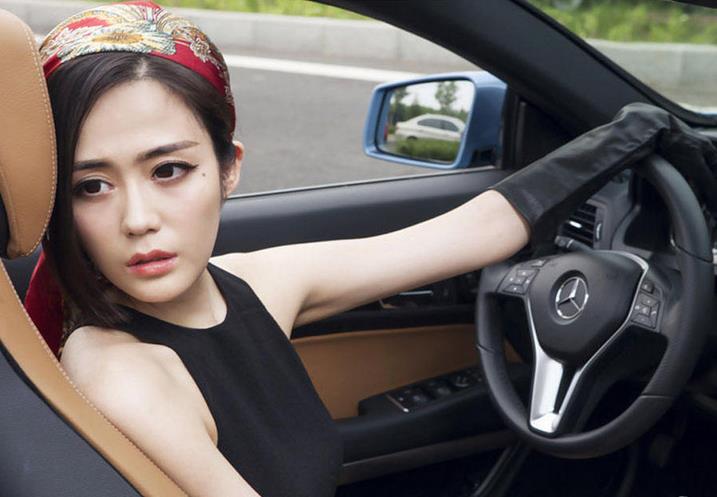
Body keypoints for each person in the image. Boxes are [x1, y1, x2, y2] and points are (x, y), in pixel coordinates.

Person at [22, 1, 717, 497]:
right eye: (91, 186)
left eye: (169, 169)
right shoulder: (115, 367)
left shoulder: (251, 284)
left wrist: (628, 134)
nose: (138, 219)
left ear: (229, 168)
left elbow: (467, 234)